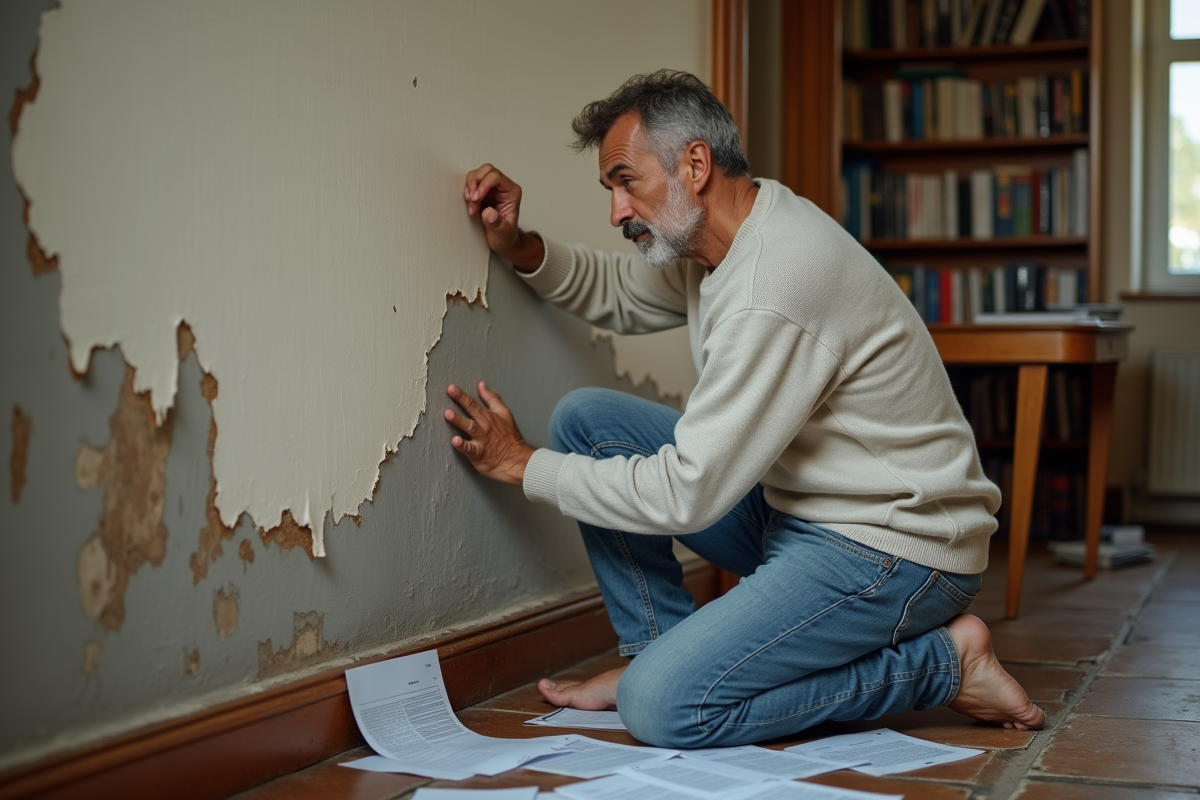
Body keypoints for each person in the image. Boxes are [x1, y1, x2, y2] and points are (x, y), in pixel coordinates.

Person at [446, 70, 1044, 749]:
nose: (616, 212)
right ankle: (659, 652)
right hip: (804, 513)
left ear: (694, 164)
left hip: (895, 548)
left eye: (626, 181)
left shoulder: (776, 281)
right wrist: (520, 246)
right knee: (588, 425)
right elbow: (619, 291)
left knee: (665, 709)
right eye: (610, 190)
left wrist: (524, 466)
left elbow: (688, 492)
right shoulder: (728, 236)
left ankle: (941, 666)